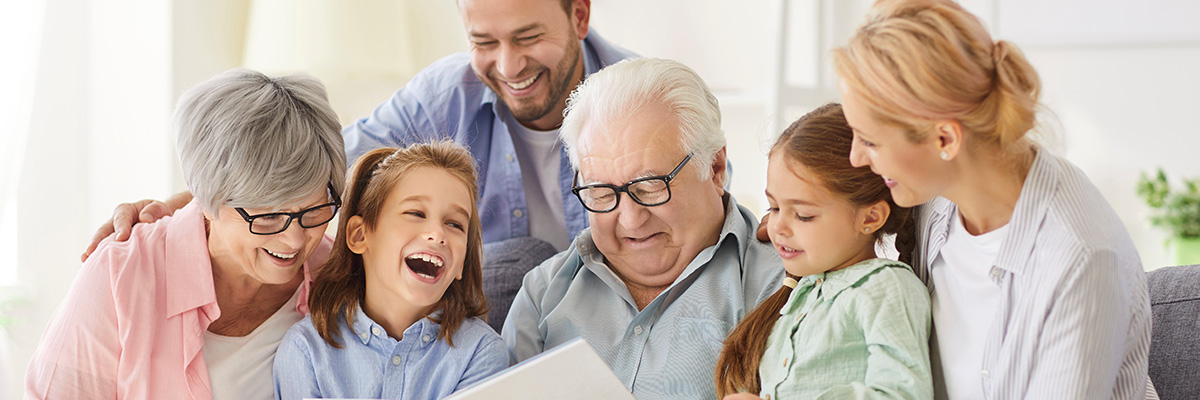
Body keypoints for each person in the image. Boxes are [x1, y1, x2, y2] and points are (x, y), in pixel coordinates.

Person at [81, 0, 639, 332]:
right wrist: (196, 199)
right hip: (482, 314)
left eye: (529, 37)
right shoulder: (446, 92)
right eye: (483, 41)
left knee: (531, 264)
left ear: (580, 14)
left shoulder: (643, 101)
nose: (508, 65)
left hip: (603, 318)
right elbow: (318, 170)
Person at [832, 0, 1154, 398]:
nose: (856, 157)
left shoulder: (1080, 260)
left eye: (870, 141)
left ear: (945, 139)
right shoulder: (937, 199)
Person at [25, 69, 346, 399]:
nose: (295, 240)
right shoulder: (121, 277)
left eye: (314, 210)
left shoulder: (338, 275)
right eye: (269, 216)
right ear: (206, 197)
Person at [502, 58, 780, 399]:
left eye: (650, 187)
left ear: (715, 167)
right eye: (602, 193)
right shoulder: (544, 293)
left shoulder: (781, 284)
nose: (631, 220)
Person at [715, 103, 932, 399]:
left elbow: (903, 394)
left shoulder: (886, 288)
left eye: (803, 215)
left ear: (870, 218)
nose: (778, 227)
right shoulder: (804, 292)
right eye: (774, 208)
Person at [273, 142, 509, 399]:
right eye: (416, 213)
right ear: (359, 235)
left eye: (455, 224)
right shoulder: (305, 351)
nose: (438, 234)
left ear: (461, 262)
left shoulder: (481, 352)